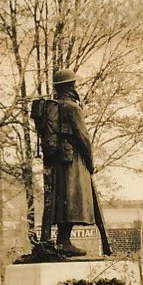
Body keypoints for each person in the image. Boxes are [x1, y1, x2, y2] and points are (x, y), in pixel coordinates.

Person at [32, 69, 107, 258]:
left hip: (58, 161)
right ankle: (64, 241)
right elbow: (83, 136)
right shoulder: (72, 108)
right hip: (73, 160)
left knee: (63, 200)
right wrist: (90, 161)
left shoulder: (54, 107)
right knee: (73, 200)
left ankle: (62, 240)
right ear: (71, 86)